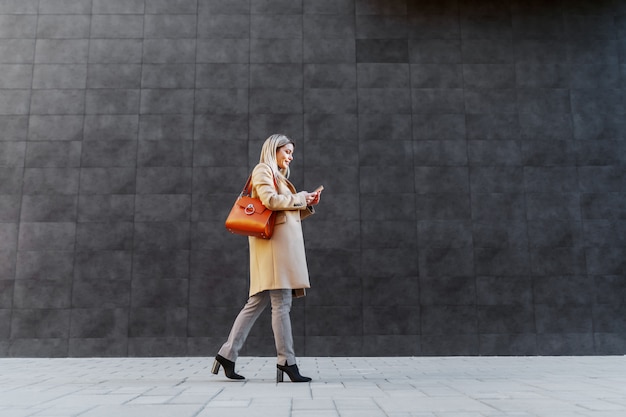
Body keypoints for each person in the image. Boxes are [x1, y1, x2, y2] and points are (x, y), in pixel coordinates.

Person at [211, 134, 322, 383]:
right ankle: (287, 362)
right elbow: (270, 202)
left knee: (257, 302)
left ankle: (227, 354)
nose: (290, 156)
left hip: (277, 247)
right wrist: (300, 197)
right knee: (281, 304)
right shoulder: (263, 170)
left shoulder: (279, 176)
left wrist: (307, 203)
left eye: (292, 153)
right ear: (274, 149)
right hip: (273, 249)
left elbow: (284, 215)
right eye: (287, 151)